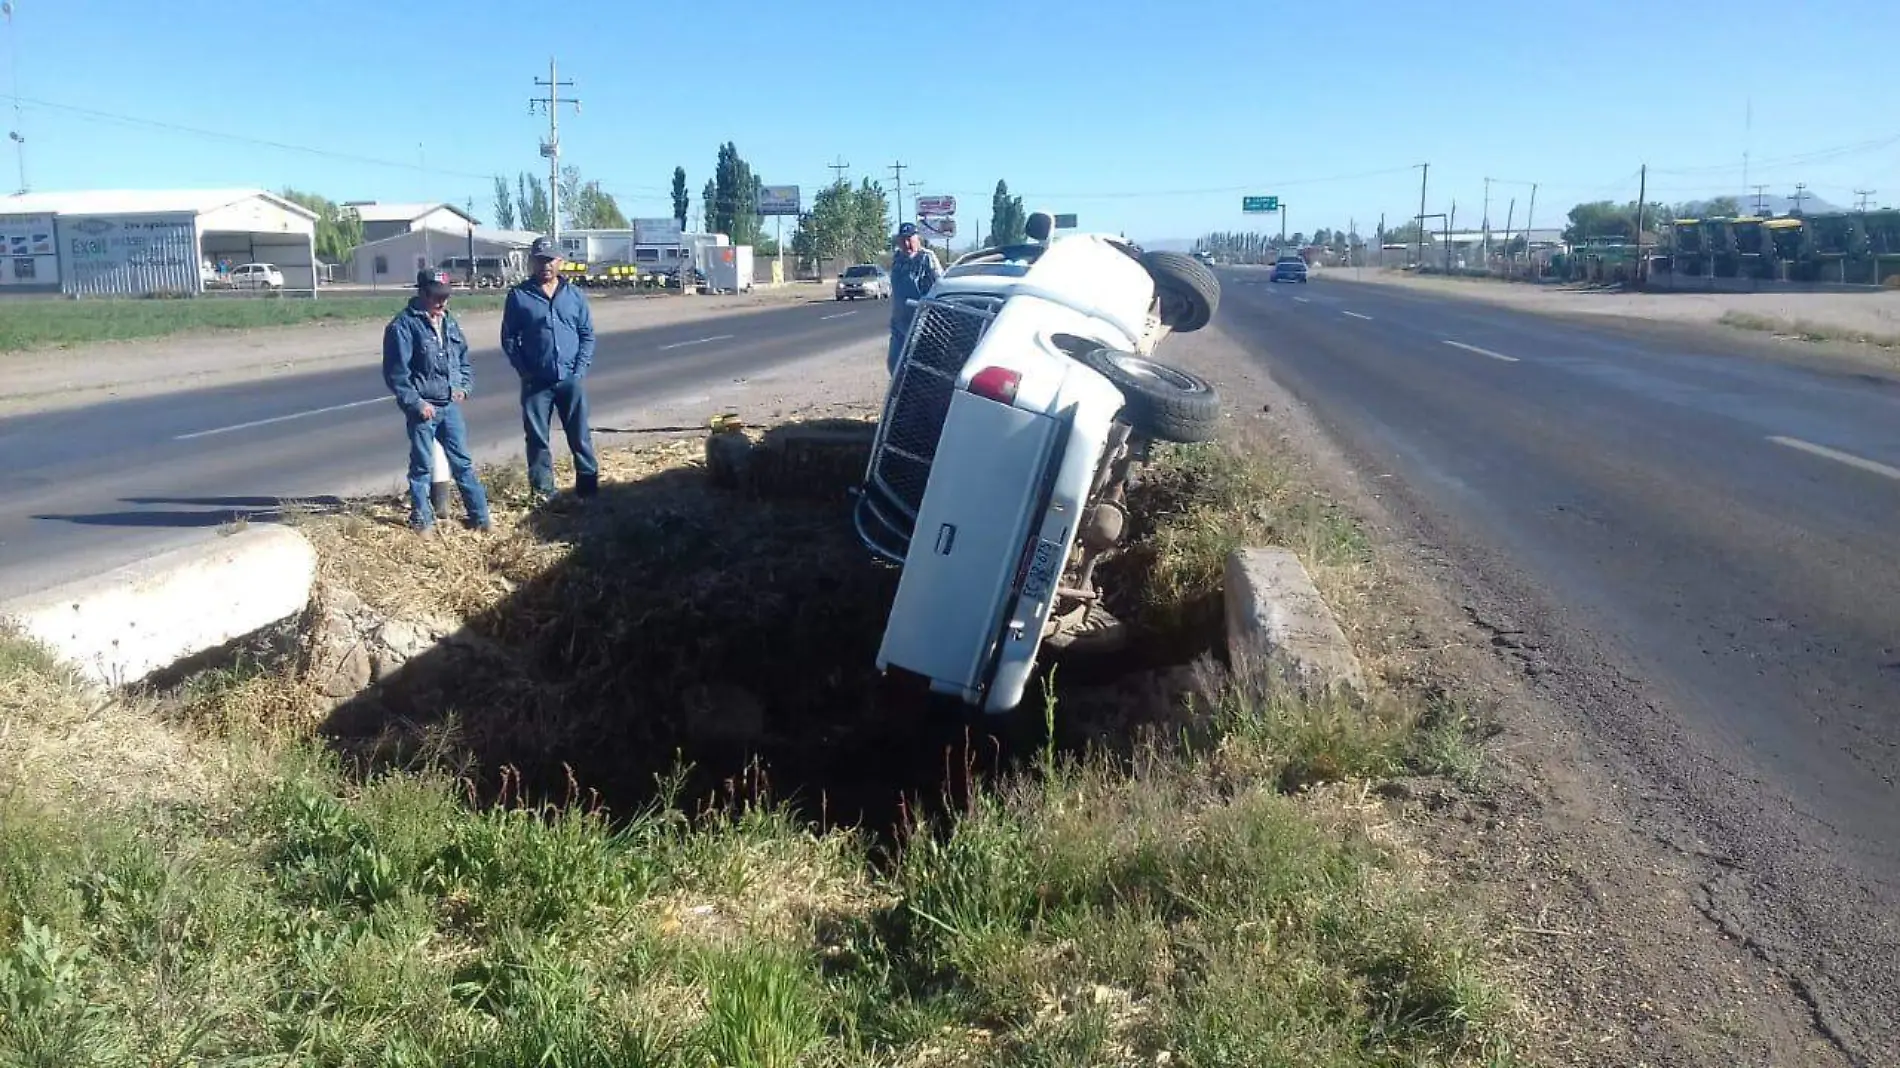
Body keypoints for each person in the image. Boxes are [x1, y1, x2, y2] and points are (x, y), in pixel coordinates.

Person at [381, 268, 491, 534]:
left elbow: (462, 359)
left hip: (449, 405)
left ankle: (480, 518)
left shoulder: (449, 322)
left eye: (446, 296)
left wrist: (463, 386)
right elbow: (397, 376)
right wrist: (417, 404)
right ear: (421, 293)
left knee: (462, 463)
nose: (441, 302)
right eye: (435, 296)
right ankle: (423, 520)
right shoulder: (403, 326)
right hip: (424, 410)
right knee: (422, 467)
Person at [501, 235, 599, 502]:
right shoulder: (519, 296)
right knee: (537, 440)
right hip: (536, 383)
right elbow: (509, 339)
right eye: (540, 260)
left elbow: (587, 334)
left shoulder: (575, 296)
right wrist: (524, 370)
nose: (546, 265)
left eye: (551, 260)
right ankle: (544, 492)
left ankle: (588, 489)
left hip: (570, 379)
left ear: (560, 262)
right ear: (532, 262)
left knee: (580, 436)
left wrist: (579, 371)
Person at [887, 221, 942, 375]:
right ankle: (898, 397)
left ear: (917, 239)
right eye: (903, 240)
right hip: (899, 324)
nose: (907, 244)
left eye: (910, 239)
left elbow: (941, 284)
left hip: (921, 324)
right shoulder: (897, 258)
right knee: (894, 364)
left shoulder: (927, 258)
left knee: (916, 368)